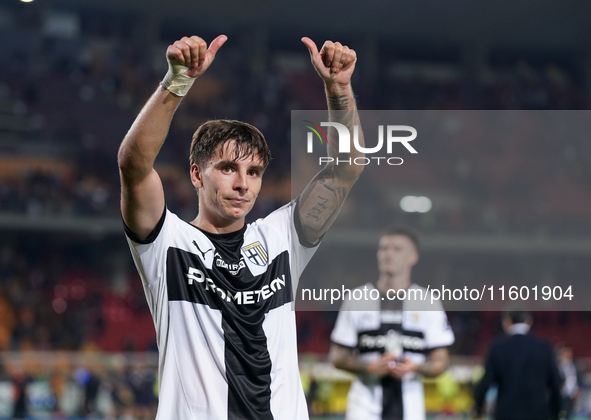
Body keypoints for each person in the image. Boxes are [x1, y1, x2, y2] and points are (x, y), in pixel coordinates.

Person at [117, 34, 363, 419]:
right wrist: (177, 81)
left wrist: (339, 88)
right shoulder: (169, 244)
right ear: (197, 175)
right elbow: (133, 165)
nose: (242, 183)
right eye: (228, 168)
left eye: (254, 172)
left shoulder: (282, 238)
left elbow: (346, 168)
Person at [330, 225, 455, 420]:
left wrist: (414, 367)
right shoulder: (357, 299)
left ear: (413, 257)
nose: (388, 254)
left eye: (397, 249)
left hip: (410, 410)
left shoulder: (428, 302)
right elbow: (337, 356)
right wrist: (369, 367)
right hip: (363, 409)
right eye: (383, 248)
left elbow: (442, 361)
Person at [473, 311, 563, 420]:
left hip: (507, 414)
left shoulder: (498, 348)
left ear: (507, 322)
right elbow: (555, 384)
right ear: (529, 321)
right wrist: (557, 412)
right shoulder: (544, 348)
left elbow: (485, 383)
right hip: (538, 414)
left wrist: (478, 409)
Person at [556, 344, 581, 420]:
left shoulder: (574, 365)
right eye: (567, 352)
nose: (569, 354)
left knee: (569, 415)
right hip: (560, 395)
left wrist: (578, 389)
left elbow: (578, 379)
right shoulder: (557, 365)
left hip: (571, 395)